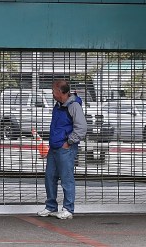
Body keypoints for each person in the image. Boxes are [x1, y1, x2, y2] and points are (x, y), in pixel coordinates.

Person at [37, 79, 87, 220]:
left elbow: (82, 128)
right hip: (54, 148)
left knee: (66, 178)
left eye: (53, 90)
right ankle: (51, 206)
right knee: (50, 177)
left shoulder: (73, 106)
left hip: (65, 148)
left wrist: (68, 142)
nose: (52, 93)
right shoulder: (59, 105)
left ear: (60, 91)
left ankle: (68, 208)